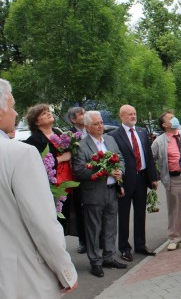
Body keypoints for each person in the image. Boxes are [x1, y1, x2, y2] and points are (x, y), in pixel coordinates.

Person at [0, 78, 78, 296]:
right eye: (12, 106)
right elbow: (41, 223)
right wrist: (66, 272)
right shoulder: (20, 153)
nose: (15, 114)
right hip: (19, 277)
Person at [73, 111, 128, 277]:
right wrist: (104, 171)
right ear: (88, 127)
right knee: (93, 229)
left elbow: (120, 159)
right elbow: (79, 171)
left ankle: (109, 257)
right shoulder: (81, 145)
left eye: (101, 123)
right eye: (96, 124)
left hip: (112, 191)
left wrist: (119, 171)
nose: (100, 126)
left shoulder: (110, 140)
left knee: (110, 226)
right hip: (93, 193)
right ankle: (95, 261)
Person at [110, 105, 158, 261]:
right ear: (122, 116)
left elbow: (148, 155)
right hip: (125, 179)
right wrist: (118, 182)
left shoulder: (142, 133)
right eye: (129, 114)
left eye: (134, 114)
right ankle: (124, 248)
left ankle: (140, 244)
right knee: (123, 215)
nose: (133, 116)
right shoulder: (115, 135)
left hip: (142, 178)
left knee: (140, 213)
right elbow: (114, 159)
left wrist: (153, 177)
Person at [24, 104, 76, 232]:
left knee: (66, 220)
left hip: (68, 182)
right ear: (36, 121)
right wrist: (62, 158)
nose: (48, 113)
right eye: (43, 113)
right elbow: (38, 164)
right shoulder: (34, 140)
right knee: (54, 223)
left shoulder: (59, 132)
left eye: (48, 111)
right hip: (52, 186)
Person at [151, 111, 181, 251]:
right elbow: (150, 159)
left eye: (174, 116)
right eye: (171, 118)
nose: (175, 119)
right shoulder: (159, 141)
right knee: (175, 210)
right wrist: (154, 177)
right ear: (165, 124)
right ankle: (174, 238)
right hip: (174, 179)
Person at [67, 106, 88, 254]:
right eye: (81, 114)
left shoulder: (91, 129)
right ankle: (83, 241)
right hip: (78, 178)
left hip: (94, 175)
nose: (84, 115)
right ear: (73, 119)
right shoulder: (69, 135)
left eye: (84, 112)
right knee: (80, 210)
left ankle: (97, 239)